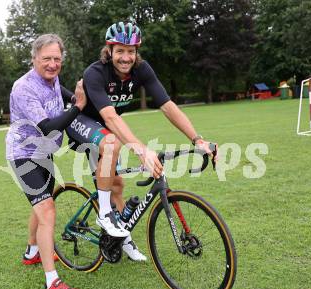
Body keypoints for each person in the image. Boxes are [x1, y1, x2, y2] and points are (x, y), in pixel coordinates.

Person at [65, 22, 217, 261]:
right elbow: (110, 116)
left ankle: (121, 238)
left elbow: (167, 106)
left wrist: (197, 139)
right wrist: (141, 150)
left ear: (137, 52)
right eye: (120, 51)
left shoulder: (142, 70)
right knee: (112, 143)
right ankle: (104, 214)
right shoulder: (95, 73)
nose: (126, 57)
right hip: (82, 121)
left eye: (131, 51)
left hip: (105, 129)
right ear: (110, 49)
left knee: (117, 185)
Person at [5, 34, 86, 289]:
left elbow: (61, 94)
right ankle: (52, 282)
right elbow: (48, 127)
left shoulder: (53, 77)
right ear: (34, 59)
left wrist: (76, 98)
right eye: (46, 59)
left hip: (44, 152)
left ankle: (32, 252)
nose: (52, 64)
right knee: (47, 211)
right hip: (23, 154)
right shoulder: (24, 87)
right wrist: (79, 107)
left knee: (42, 204)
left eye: (57, 59)